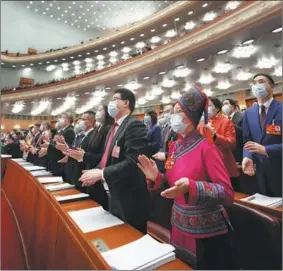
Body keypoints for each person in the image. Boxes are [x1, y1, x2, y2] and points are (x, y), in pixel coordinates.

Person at [137, 86, 236, 270]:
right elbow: (172, 182)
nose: (173, 116)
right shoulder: (175, 146)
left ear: (190, 117)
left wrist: (191, 186)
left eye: (178, 112)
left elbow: (227, 192)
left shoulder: (207, 146)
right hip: (179, 225)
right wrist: (157, 177)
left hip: (207, 234)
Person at [79, 88, 150, 233]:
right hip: (113, 192)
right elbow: (108, 158)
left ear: (126, 103)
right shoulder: (114, 127)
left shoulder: (134, 125)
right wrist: (96, 171)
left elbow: (133, 162)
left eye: (114, 99)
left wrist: (102, 174)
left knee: (130, 239)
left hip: (130, 198)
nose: (110, 103)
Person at [242, 73, 282, 197]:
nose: (256, 85)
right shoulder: (249, 113)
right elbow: (247, 140)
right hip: (259, 171)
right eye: (254, 83)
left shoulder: (281, 108)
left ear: (271, 86)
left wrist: (266, 150)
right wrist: (247, 156)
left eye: (261, 82)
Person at [68, 105, 114, 209]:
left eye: (100, 110)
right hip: (91, 170)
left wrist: (84, 156)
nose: (98, 112)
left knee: (99, 206)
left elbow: (104, 155)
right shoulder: (99, 128)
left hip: (99, 173)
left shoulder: (108, 129)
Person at [198, 97, 239, 190]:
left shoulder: (226, 122)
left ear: (217, 108)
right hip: (206, 167)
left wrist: (215, 137)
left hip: (224, 164)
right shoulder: (201, 124)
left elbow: (232, 143)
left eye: (208, 106)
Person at [222, 99, 244, 163]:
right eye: (223, 105)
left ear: (233, 106)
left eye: (226, 104)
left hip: (239, 151)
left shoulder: (241, 116)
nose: (224, 106)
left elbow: (244, 132)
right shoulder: (222, 119)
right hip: (227, 153)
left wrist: (230, 124)